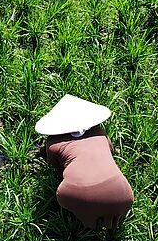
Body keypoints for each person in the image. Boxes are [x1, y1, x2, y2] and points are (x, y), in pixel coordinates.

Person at [35, 95, 134, 230]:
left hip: (76, 193)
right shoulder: (100, 134)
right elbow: (111, 153)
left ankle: (84, 224)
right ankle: (111, 222)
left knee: (64, 193)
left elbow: (58, 170)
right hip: (123, 192)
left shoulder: (53, 144)